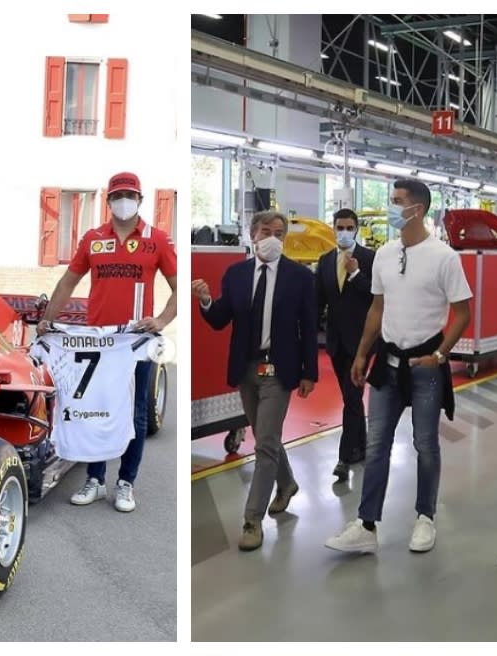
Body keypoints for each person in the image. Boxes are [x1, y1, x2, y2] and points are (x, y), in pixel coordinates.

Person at [324, 178, 471, 555]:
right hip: (387, 364)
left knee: (425, 444)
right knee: (376, 446)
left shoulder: (444, 257)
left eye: (396, 201)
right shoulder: (385, 255)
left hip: (425, 365)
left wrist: (440, 355)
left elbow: (461, 313)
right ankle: (367, 523)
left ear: (416, 209)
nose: (391, 207)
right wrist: (361, 354)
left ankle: (425, 517)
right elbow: (376, 309)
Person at [38, 171, 178, 513]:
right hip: (97, 341)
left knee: (135, 413)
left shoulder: (156, 240)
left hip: (134, 341)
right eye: (118, 195)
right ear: (109, 200)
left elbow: (179, 287)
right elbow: (67, 283)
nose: (124, 201)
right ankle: (95, 480)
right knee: (94, 408)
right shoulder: (93, 239)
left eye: (130, 195)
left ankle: (126, 483)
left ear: (140, 200)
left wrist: (160, 321)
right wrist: (48, 320)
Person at [193, 210, 318, 552]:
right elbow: (220, 319)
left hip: (280, 370)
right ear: (252, 234)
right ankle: (288, 483)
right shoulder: (236, 275)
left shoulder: (299, 278)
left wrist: (310, 372)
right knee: (267, 435)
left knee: (264, 443)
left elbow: (308, 328)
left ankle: (252, 520)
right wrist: (205, 300)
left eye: (279, 232)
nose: (272, 237)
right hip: (246, 368)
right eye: (266, 231)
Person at [315, 208, 375, 481]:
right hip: (336, 342)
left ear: (357, 229)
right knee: (351, 398)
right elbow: (319, 302)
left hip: (362, 342)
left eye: (350, 227)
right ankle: (360, 447)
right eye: (340, 227)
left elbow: (377, 296)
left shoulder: (370, 259)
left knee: (351, 397)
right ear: (333, 228)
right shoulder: (325, 261)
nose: (344, 232)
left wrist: (355, 275)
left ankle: (343, 457)